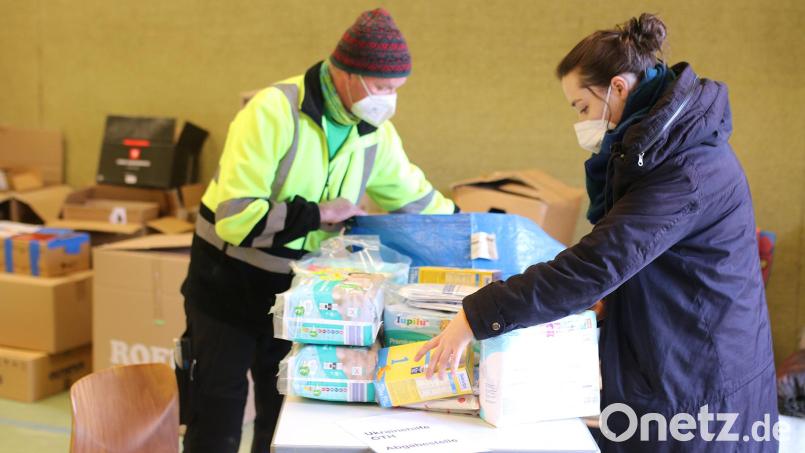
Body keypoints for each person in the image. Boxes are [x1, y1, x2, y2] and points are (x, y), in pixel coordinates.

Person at [418, 13, 778, 452]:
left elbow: (599, 261)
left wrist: (476, 317)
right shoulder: (661, 149)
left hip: (703, 379)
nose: (582, 122)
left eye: (583, 107)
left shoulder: (687, 169)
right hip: (677, 356)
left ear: (619, 88)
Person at [178, 8, 455, 453]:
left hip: (297, 298)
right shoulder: (272, 111)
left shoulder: (374, 134)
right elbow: (236, 216)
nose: (390, 99)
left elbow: (418, 199)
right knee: (216, 416)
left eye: (397, 89)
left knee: (283, 415)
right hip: (225, 288)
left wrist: (474, 232)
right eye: (383, 87)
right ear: (346, 73)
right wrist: (318, 214)